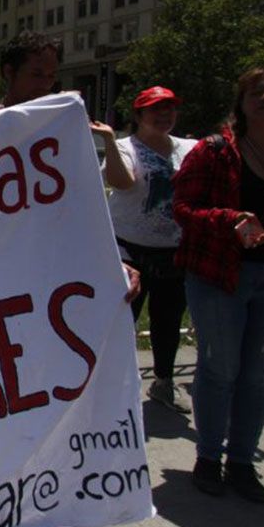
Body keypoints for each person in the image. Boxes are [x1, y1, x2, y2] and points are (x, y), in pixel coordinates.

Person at [173, 66, 264, 502]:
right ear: (241, 103)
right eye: (257, 91)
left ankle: (243, 462)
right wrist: (229, 220)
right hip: (219, 276)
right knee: (221, 368)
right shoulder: (214, 151)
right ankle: (209, 457)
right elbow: (182, 208)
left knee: (258, 376)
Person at [103, 86, 197, 414]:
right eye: (155, 109)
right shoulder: (124, 147)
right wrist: (110, 142)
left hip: (172, 249)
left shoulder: (190, 148)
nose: (164, 115)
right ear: (139, 115)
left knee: (168, 320)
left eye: (169, 109)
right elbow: (122, 182)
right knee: (120, 320)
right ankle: (112, 388)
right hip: (128, 249)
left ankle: (163, 382)